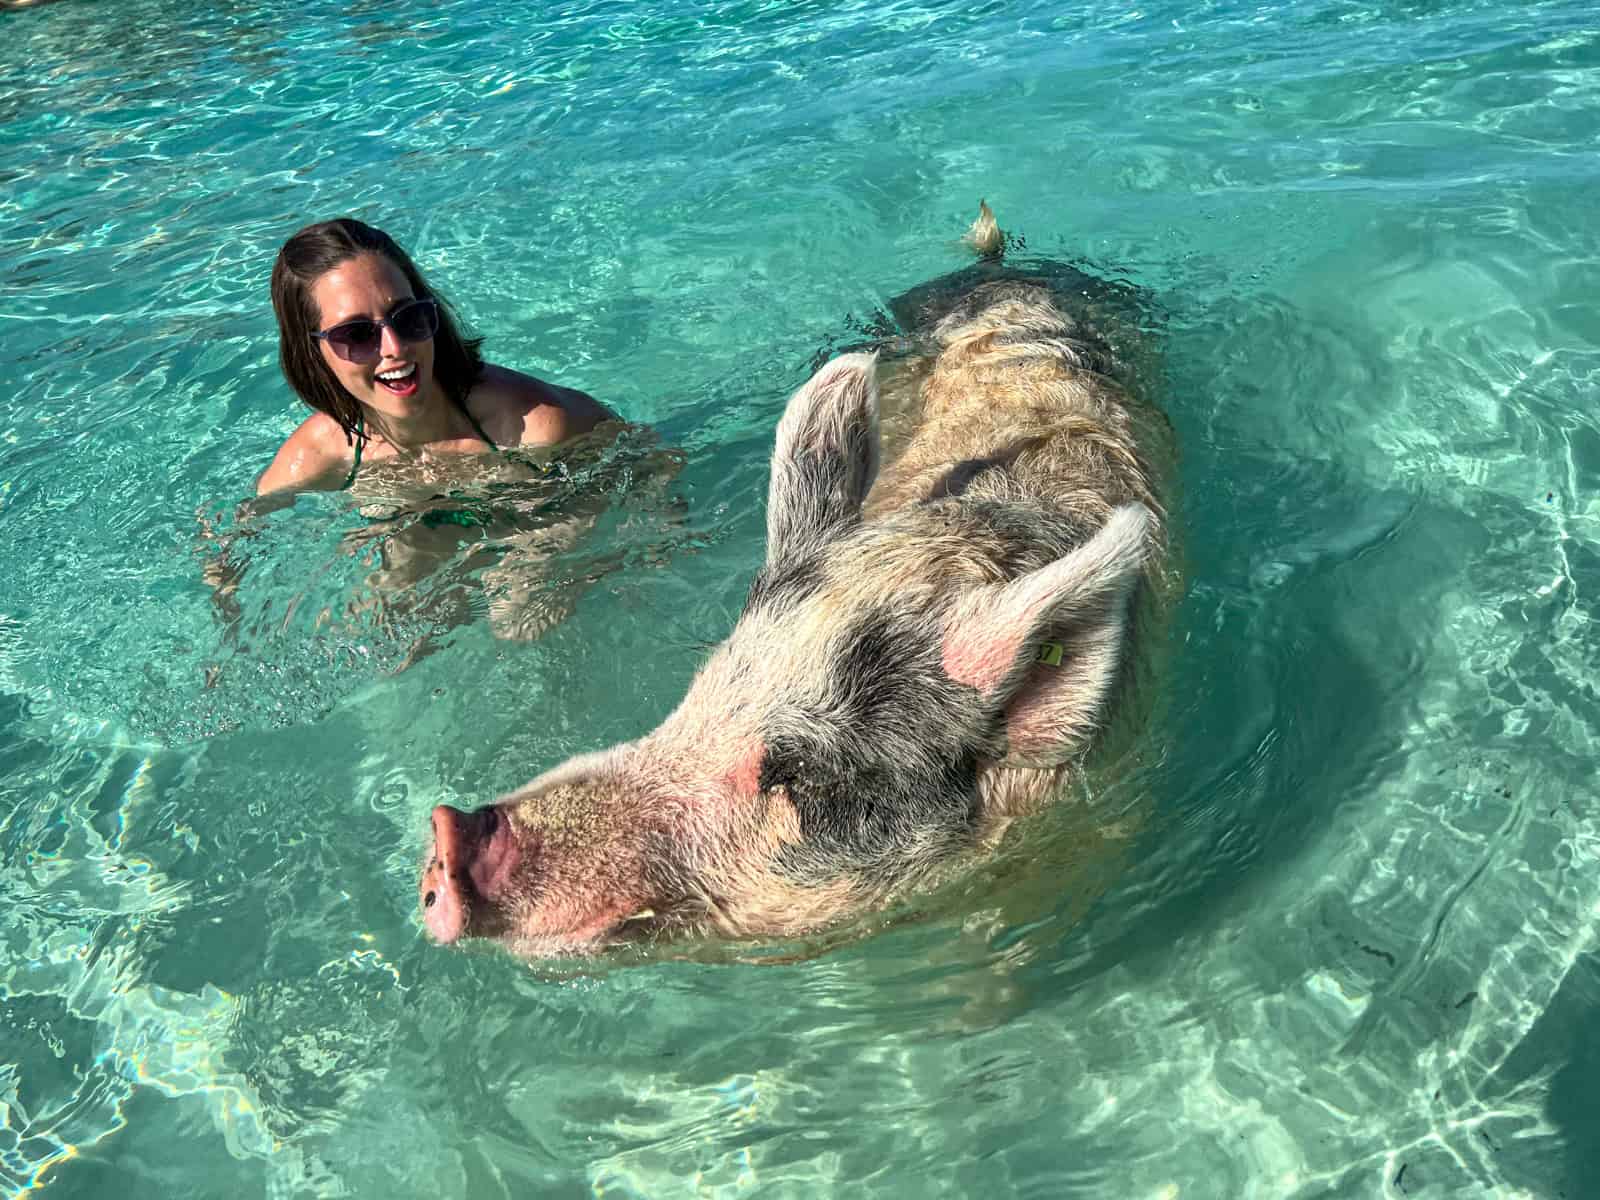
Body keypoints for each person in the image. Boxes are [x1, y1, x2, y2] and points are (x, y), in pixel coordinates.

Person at [257, 218, 614, 496]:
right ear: (311, 353)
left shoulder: (528, 425)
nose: (394, 347)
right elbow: (242, 528)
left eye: (407, 316)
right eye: (356, 334)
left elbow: (643, 458)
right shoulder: (322, 453)